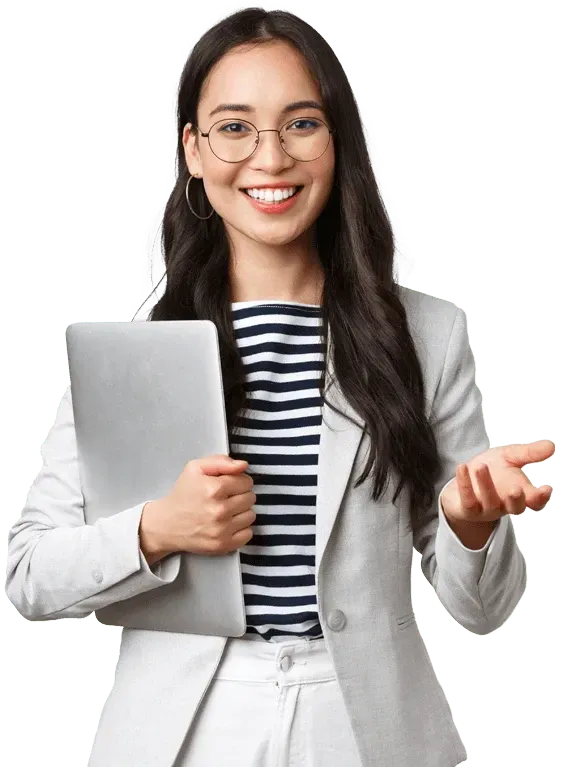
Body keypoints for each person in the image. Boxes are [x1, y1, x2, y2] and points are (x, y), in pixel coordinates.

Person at [5, 5, 555, 767]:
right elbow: (28, 572)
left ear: (337, 143)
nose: (270, 158)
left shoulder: (426, 335)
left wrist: (468, 523)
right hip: (184, 727)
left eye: (301, 124)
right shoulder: (140, 346)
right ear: (193, 150)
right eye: (234, 128)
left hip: (363, 720)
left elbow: (483, 609)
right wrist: (157, 528)